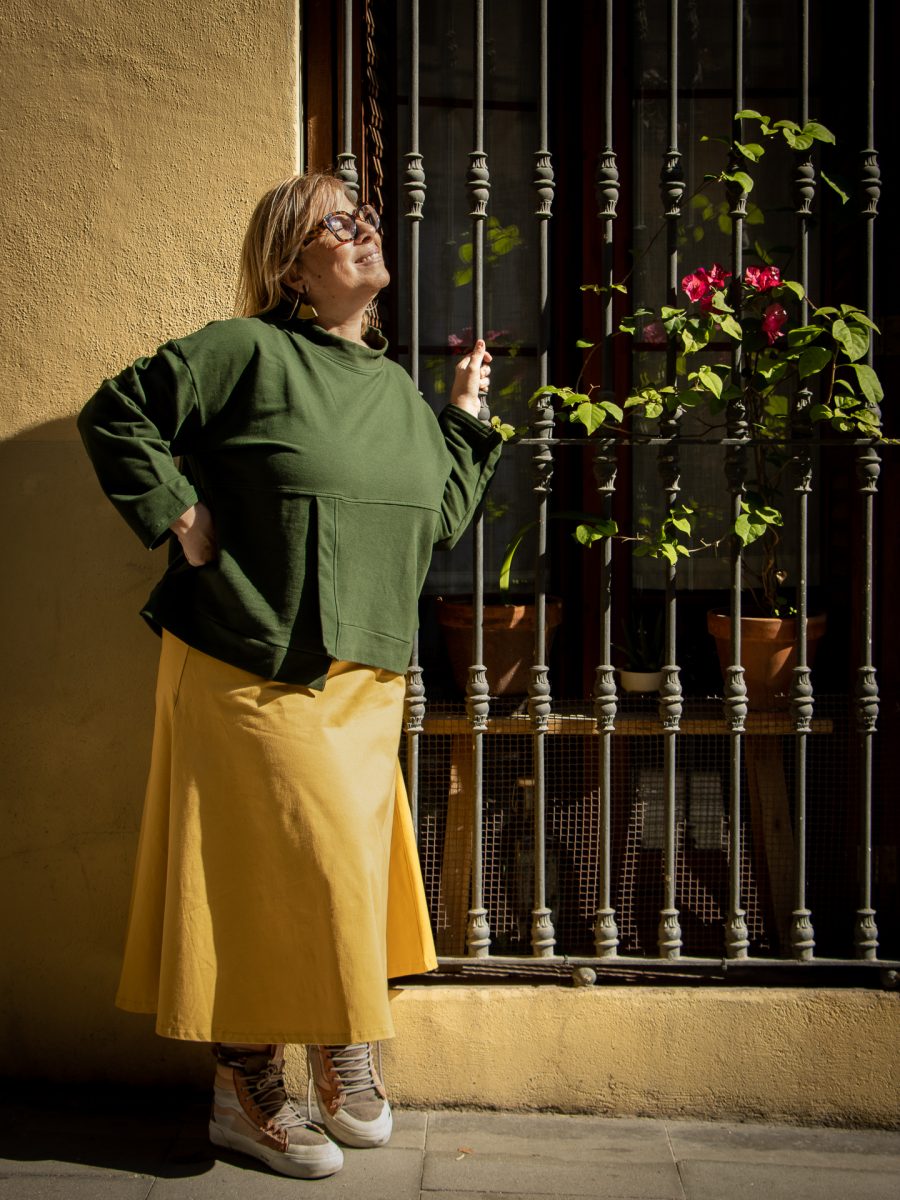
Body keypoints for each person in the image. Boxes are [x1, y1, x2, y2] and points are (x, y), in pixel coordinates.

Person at [78, 172, 500, 1180]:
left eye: (363, 216)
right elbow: (116, 414)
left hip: (365, 678)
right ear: (291, 265)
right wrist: (183, 521)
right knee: (273, 874)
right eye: (335, 223)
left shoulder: (396, 391)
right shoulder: (245, 352)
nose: (361, 231)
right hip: (252, 660)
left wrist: (464, 417)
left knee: (342, 871)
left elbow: (435, 522)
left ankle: (334, 1037)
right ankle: (246, 1080)